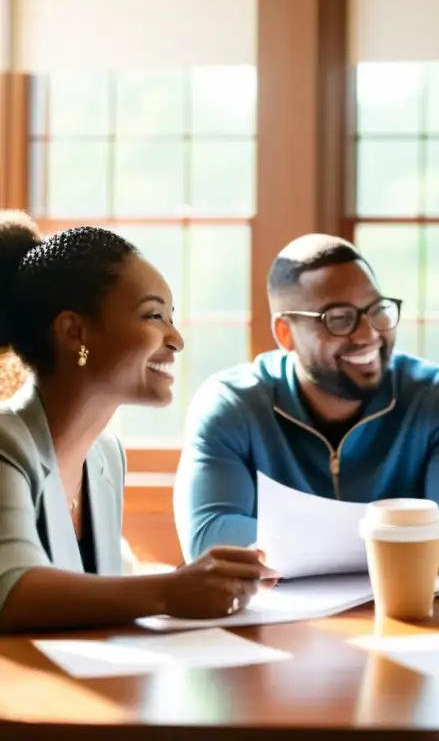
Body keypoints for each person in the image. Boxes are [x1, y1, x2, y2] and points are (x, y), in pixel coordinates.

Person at [0, 212, 276, 632]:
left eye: (171, 317)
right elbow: (13, 592)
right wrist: (171, 590)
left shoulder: (105, 454)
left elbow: (107, 581)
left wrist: (213, 578)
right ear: (75, 332)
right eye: (153, 316)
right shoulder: (7, 443)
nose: (176, 339)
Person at [173, 234, 439, 575]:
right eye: (338, 318)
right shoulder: (232, 405)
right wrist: (391, 545)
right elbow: (209, 533)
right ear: (285, 334)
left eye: (376, 310)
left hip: (413, 616)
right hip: (285, 621)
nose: (368, 334)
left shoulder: (434, 396)